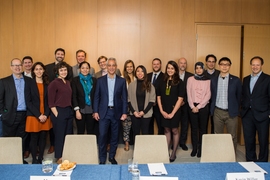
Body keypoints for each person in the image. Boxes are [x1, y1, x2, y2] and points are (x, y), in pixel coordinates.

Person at [93, 57, 127, 165]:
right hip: (104, 112)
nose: (111, 67)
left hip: (116, 113)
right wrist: (95, 111)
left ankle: (112, 156)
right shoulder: (100, 80)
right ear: (106, 67)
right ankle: (102, 159)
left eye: (113, 65)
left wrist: (124, 112)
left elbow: (125, 98)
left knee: (114, 136)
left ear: (116, 67)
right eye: (109, 65)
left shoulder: (122, 81)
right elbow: (96, 97)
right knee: (102, 136)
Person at [0, 58, 32, 164]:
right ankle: (8, 161)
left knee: (22, 138)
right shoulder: (4, 81)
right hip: (9, 115)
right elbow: (0, 99)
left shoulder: (29, 81)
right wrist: (3, 113)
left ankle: (19, 160)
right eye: (15, 65)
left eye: (19, 65)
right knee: (9, 138)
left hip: (25, 114)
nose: (17, 67)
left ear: (22, 66)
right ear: (11, 67)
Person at [241, 56, 270, 162]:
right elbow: (244, 96)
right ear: (250, 65)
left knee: (263, 141)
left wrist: (268, 114)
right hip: (247, 114)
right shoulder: (246, 79)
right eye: (253, 64)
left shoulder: (267, 79)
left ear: (261, 65)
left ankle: (263, 163)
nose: (255, 67)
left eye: (257, 65)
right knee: (249, 140)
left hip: (262, 115)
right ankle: (250, 162)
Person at [45, 48, 73, 154]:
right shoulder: (54, 83)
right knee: (60, 135)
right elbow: (50, 101)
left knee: (68, 135)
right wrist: (57, 114)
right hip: (59, 111)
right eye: (61, 70)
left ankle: (67, 154)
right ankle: (59, 156)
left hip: (68, 111)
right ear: (57, 72)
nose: (64, 72)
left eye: (65, 70)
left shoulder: (68, 82)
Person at [210, 57, 241, 151]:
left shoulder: (236, 80)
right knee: (217, 135)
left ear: (230, 66)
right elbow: (211, 94)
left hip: (231, 112)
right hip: (217, 111)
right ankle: (219, 155)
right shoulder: (213, 80)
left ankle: (232, 157)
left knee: (232, 136)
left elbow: (239, 96)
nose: (224, 66)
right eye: (222, 64)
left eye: (227, 64)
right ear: (219, 66)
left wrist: (236, 108)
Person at [157, 60, 184, 162]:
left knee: (174, 130)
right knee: (167, 130)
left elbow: (180, 99)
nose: (170, 70)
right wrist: (161, 110)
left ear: (175, 70)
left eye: (172, 68)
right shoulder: (162, 81)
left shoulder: (180, 82)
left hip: (175, 110)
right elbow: (158, 97)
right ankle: (166, 151)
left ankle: (173, 153)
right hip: (164, 110)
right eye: (168, 68)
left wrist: (173, 113)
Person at [25, 62, 52, 164]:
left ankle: (40, 158)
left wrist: (45, 114)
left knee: (43, 138)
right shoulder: (29, 83)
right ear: (33, 71)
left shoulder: (47, 84)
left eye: (40, 69)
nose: (39, 71)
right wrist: (39, 115)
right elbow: (28, 102)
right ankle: (34, 159)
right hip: (33, 115)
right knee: (34, 138)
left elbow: (50, 101)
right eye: (36, 69)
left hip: (45, 115)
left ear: (44, 70)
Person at [187, 62, 211, 158]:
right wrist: (193, 106)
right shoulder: (190, 79)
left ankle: (201, 149)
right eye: (196, 68)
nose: (198, 70)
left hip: (203, 107)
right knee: (194, 129)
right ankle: (194, 148)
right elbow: (188, 93)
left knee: (203, 129)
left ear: (203, 69)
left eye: (200, 68)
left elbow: (208, 95)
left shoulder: (208, 80)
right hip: (192, 106)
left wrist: (199, 106)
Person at [128, 65, 155, 143]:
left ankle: (144, 151)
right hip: (134, 114)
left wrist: (144, 112)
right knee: (135, 133)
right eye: (138, 71)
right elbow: (128, 100)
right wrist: (134, 112)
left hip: (146, 114)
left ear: (145, 73)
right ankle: (136, 151)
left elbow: (152, 100)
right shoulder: (131, 85)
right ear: (135, 73)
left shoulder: (150, 85)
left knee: (145, 133)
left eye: (142, 71)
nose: (140, 73)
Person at [71, 61, 97, 135]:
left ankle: (90, 146)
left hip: (91, 109)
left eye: (87, 68)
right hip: (80, 109)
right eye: (83, 68)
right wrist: (77, 111)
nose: (85, 70)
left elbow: (96, 96)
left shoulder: (94, 80)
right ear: (79, 69)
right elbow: (74, 96)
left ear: (89, 69)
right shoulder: (75, 80)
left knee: (91, 130)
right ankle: (80, 146)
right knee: (80, 130)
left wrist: (96, 110)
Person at [177, 57, 193, 151]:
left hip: (186, 104)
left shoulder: (191, 76)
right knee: (174, 125)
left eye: (184, 63)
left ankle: (182, 142)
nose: (183, 65)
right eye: (181, 63)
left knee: (185, 124)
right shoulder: (173, 75)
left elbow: (192, 91)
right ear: (178, 64)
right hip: (175, 104)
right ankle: (174, 142)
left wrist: (184, 101)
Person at [147, 58, 164, 135]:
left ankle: (160, 144)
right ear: (152, 65)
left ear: (160, 65)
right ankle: (150, 144)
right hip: (148, 105)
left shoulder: (165, 76)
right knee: (149, 126)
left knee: (161, 126)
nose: (156, 66)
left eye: (157, 64)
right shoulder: (147, 76)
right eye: (154, 64)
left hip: (159, 105)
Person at [122, 60, 136, 151]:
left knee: (135, 126)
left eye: (131, 66)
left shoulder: (137, 77)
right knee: (126, 126)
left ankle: (135, 144)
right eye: (127, 67)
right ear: (125, 68)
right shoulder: (122, 78)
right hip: (126, 105)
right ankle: (126, 143)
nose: (129, 68)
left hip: (135, 106)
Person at [204, 54, 220, 134]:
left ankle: (214, 144)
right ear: (206, 63)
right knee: (204, 124)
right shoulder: (202, 73)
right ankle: (204, 143)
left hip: (216, 102)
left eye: (213, 62)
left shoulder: (220, 74)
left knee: (215, 124)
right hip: (204, 103)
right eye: (209, 61)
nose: (211, 63)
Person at [22, 55, 33, 158]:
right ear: (23, 65)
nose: (28, 64)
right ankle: (26, 149)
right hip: (23, 107)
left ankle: (34, 148)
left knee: (34, 130)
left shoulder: (36, 75)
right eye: (25, 63)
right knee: (25, 130)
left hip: (34, 108)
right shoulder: (19, 75)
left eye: (29, 62)